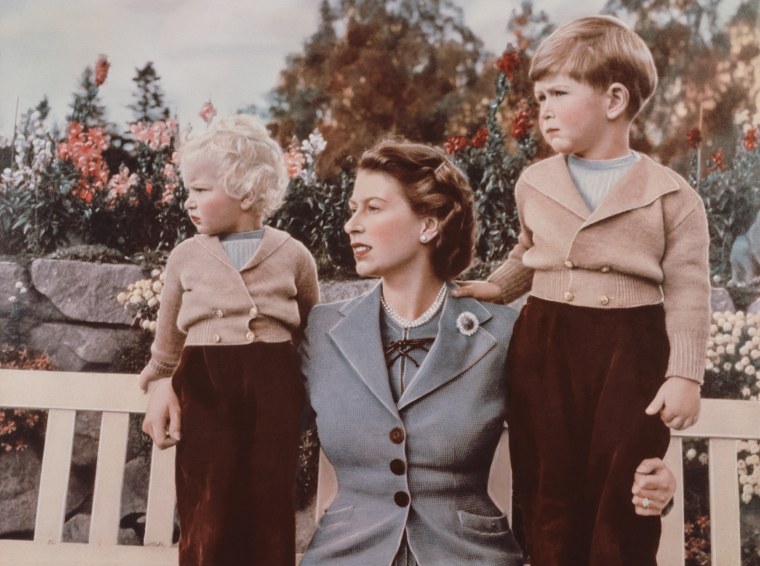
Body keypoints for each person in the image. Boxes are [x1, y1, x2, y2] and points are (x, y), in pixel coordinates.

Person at [299, 139, 677, 566]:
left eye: (373, 207)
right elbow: (261, 446)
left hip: (468, 556)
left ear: (429, 225)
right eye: (353, 209)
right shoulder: (324, 330)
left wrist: (654, 487)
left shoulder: (501, 334)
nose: (352, 224)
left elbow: (575, 453)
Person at [454, 15, 710, 566]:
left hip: (631, 349)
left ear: (614, 99)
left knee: (625, 489)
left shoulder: (672, 195)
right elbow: (528, 250)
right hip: (546, 343)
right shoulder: (535, 182)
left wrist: (685, 374)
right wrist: (499, 288)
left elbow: (690, 287)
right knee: (547, 485)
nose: (542, 108)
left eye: (558, 94)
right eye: (539, 95)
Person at [138, 114, 319, 565]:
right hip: (204, 383)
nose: (188, 202)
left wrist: (315, 386)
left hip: (273, 383)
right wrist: (161, 383)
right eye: (188, 191)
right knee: (208, 493)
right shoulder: (186, 256)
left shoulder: (293, 254)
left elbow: (314, 329)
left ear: (245, 190)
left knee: (269, 492)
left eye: (200, 190)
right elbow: (168, 336)